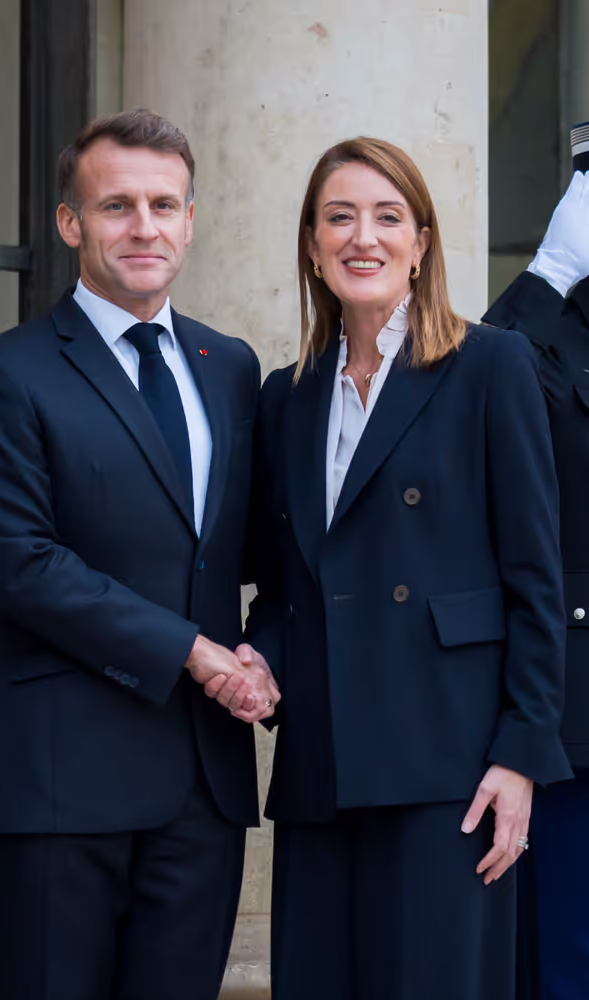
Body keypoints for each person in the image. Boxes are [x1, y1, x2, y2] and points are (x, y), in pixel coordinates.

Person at [0, 108, 279, 1000]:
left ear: (190, 219)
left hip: (202, 789)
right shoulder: (2, 371)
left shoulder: (230, 366)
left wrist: (267, 653)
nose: (144, 227)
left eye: (164, 205)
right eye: (116, 206)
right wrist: (195, 653)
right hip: (59, 782)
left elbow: (262, 555)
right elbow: (22, 563)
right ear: (70, 224)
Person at [240, 137, 571, 1000]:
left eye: (388, 217)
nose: (364, 237)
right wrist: (257, 658)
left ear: (421, 244)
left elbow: (535, 578)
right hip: (322, 765)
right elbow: (284, 586)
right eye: (339, 217)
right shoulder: (285, 394)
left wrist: (520, 758)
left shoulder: (491, 364)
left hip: (451, 768)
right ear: (311, 245)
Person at [483, 171, 589, 1000]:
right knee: (563, 964)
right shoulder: (548, 337)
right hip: (575, 721)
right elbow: (475, 389)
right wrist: (549, 272)